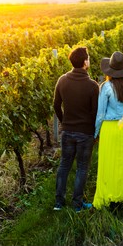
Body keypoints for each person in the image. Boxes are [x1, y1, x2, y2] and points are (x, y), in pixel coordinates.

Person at [53, 47, 99, 213]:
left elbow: (56, 105)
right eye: (88, 58)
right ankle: (77, 205)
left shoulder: (62, 80)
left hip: (68, 131)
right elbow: (95, 113)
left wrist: (64, 121)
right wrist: (95, 132)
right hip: (85, 133)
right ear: (85, 62)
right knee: (82, 168)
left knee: (64, 165)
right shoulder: (93, 86)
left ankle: (58, 202)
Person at [93, 51, 123, 210]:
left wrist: (96, 133)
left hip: (109, 129)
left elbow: (100, 114)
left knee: (108, 164)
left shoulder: (105, 87)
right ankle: (122, 197)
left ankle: (108, 197)